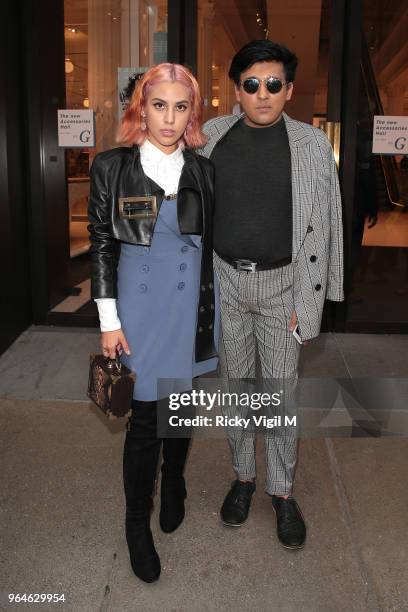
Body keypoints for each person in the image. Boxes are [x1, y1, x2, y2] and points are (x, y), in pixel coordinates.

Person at [199, 40, 344, 549]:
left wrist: (314, 302)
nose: (263, 94)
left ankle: (281, 491)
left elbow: (328, 226)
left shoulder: (310, 145)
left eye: (274, 84)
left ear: (290, 90)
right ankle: (243, 477)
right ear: (237, 90)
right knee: (235, 386)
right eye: (252, 84)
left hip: (284, 284)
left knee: (278, 394)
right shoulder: (211, 136)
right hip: (226, 282)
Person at [87, 63, 218, 583]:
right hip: (137, 312)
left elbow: (213, 249)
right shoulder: (112, 166)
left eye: (180, 106)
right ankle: (135, 521)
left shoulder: (204, 171)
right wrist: (108, 320)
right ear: (141, 107)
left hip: (187, 308)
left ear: (192, 114)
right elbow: (100, 247)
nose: (168, 117)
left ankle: (177, 479)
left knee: (179, 410)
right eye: (158, 104)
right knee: (144, 425)